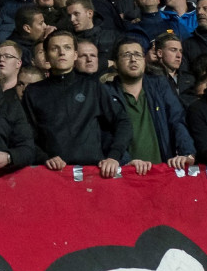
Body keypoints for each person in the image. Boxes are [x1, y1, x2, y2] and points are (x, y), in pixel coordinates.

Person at [21, 30, 131, 176]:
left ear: (74, 55)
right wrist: (44, 158)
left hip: (93, 172)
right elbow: (25, 136)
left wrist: (114, 157)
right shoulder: (33, 92)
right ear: (46, 56)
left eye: (67, 48)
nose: (61, 53)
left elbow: (123, 122)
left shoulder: (92, 87)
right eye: (55, 49)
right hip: (52, 174)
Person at [107, 39, 196, 174]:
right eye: (126, 55)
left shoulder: (159, 86)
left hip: (161, 173)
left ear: (144, 59)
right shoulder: (106, 93)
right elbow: (104, 133)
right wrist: (125, 161)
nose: (133, 59)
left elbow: (177, 120)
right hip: (126, 174)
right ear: (115, 63)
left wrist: (187, 152)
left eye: (137, 54)